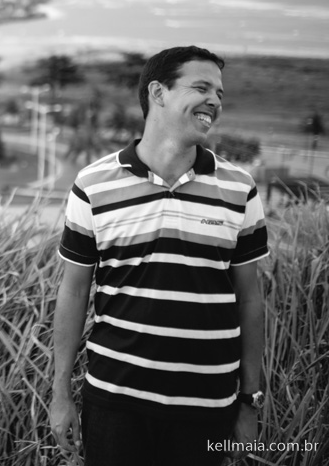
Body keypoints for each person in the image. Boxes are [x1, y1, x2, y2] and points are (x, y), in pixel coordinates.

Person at [50, 46, 268, 465]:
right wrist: (61, 394)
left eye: (220, 94)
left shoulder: (240, 188)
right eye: (201, 87)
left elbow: (250, 299)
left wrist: (248, 401)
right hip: (115, 401)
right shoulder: (92, 184)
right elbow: (73, 293)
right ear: (158, 92)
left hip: (208, 405)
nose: (215, 101)